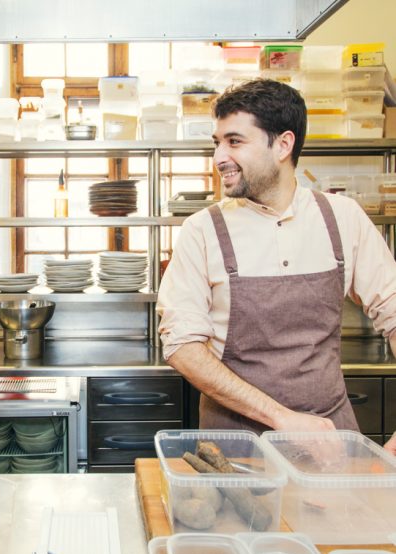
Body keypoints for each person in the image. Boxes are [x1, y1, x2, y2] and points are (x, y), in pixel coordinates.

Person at [157, 79, 396, 445]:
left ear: (283, 144)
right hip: (237, 448)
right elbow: (182, 348)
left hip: (328, 443)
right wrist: (283, 419)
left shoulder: (341, 217)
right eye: (217, 143)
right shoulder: (202, 230)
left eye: (234, 141)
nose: (219, 157)